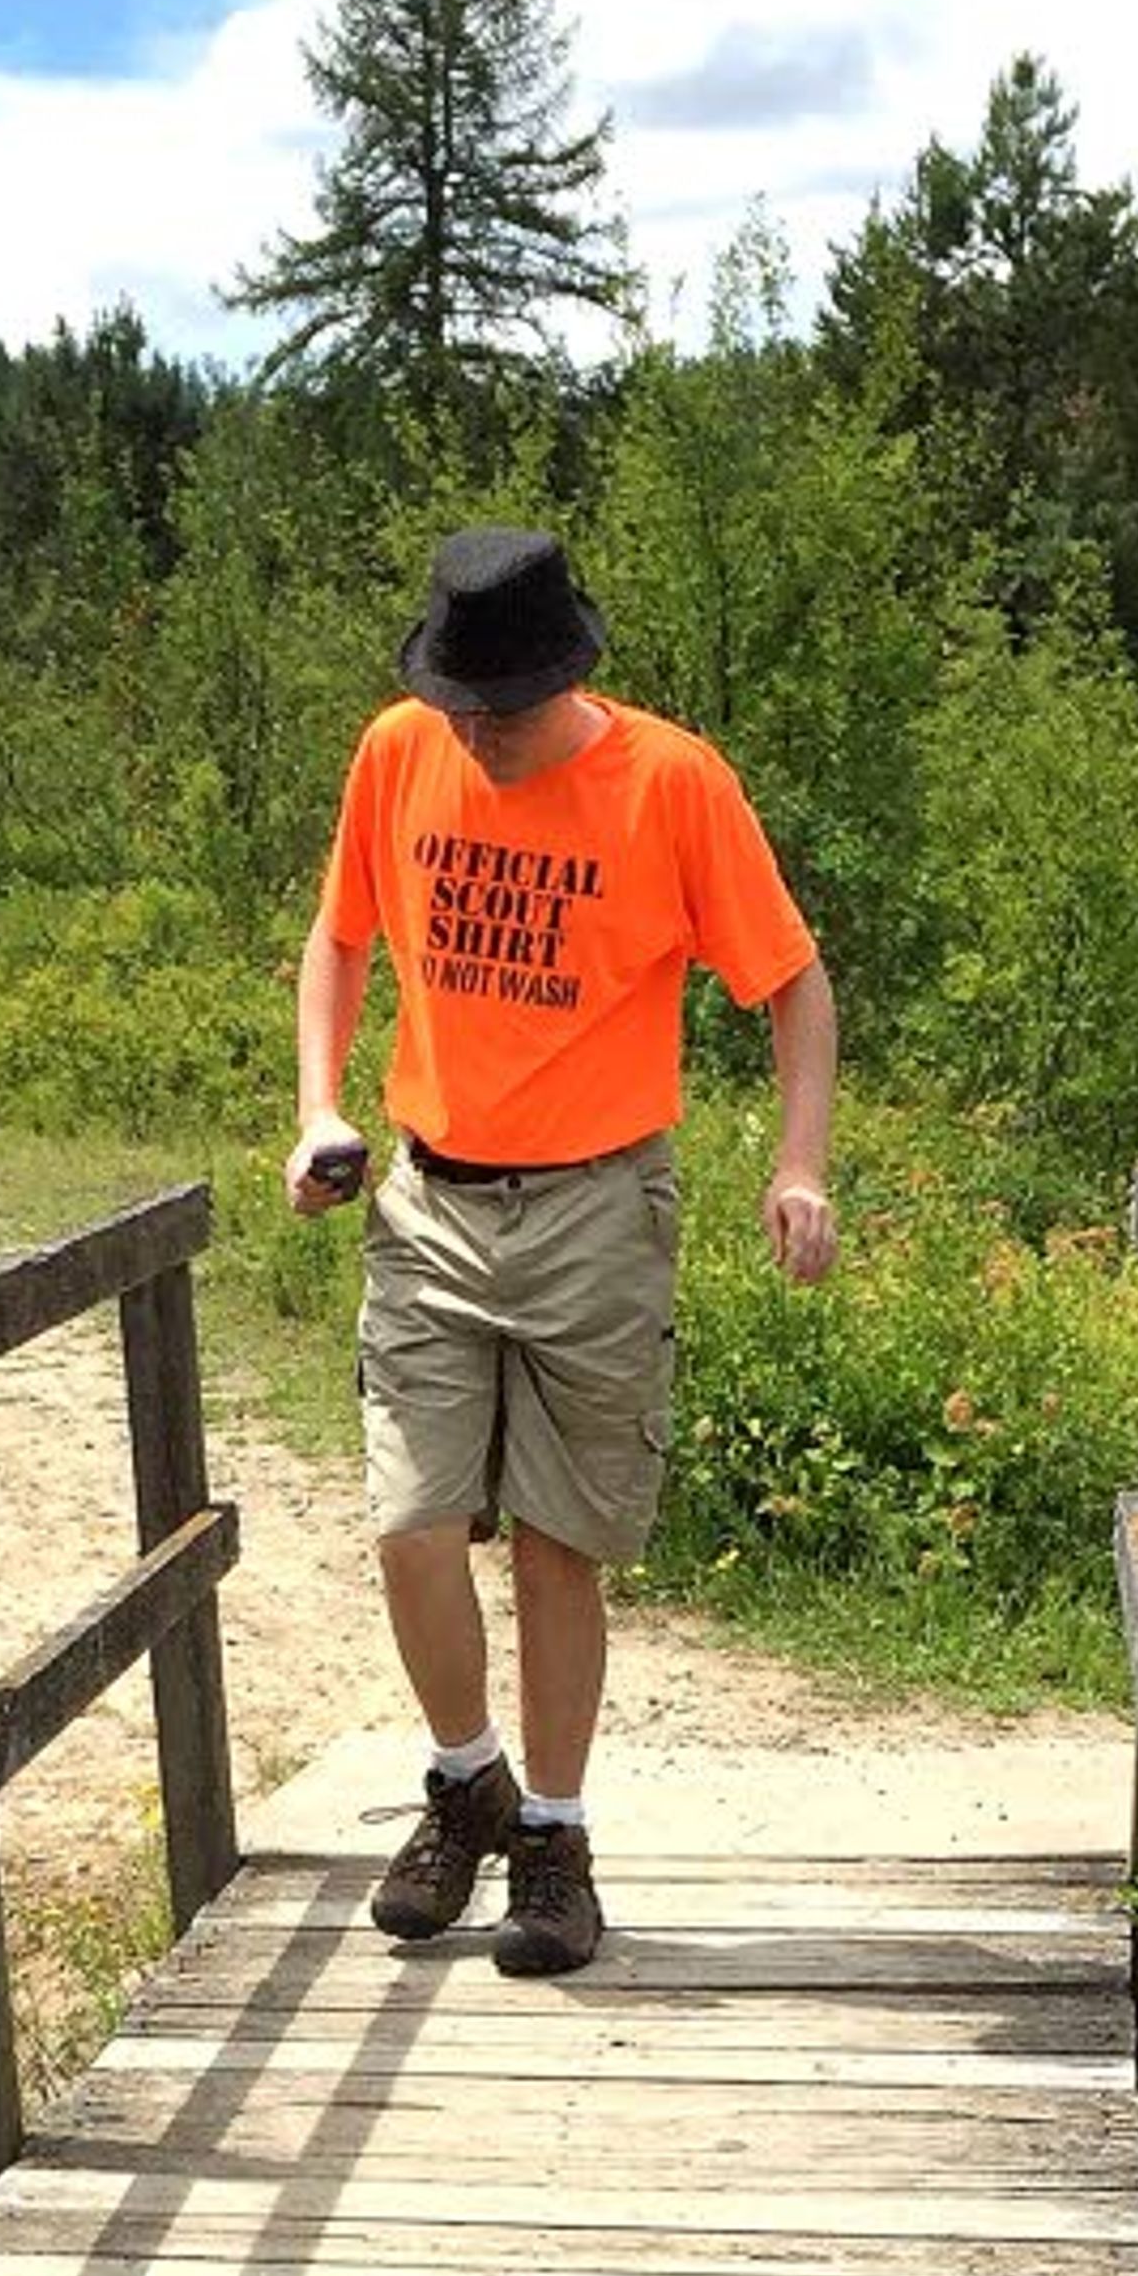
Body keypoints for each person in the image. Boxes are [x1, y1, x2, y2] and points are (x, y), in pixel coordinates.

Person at [285, 522, 837, 1977]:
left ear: (565, 682)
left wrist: (798, 1165)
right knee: (409, 1524)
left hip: (598, 1207)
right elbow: (341, 938)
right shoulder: (399, 753)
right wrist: (316, 1106)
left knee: (555, 1545)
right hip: (430, 1198)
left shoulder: (670, 781)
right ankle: (462, 1784)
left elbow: (792, 982)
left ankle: (553, 1836)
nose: (480, 740)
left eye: (504, 716)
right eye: (462, 709)